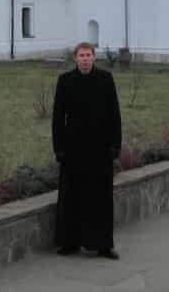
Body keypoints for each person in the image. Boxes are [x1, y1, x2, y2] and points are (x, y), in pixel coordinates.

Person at [52, 41, 122, 258]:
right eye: (81, 55)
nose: (84, 59)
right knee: (71, 196)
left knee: (101, 198)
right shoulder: (65, 81)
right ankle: (69, 242)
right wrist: (59, 148)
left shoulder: (105, 79)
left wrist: (115, 145)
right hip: (73, 149)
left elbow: (114, 115)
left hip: (100, 149)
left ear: (94, 57)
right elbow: (57, 118)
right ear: (76, 58)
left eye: (88, 55)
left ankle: (103, 245)